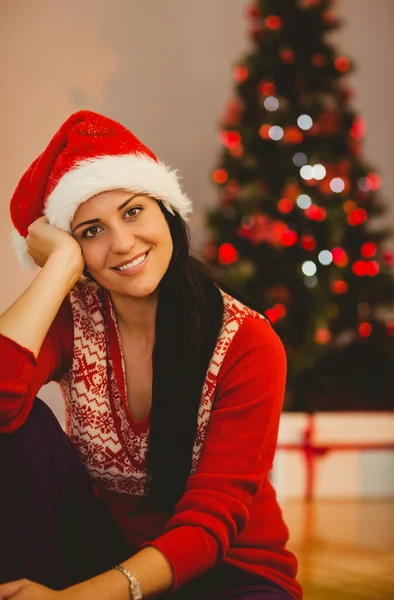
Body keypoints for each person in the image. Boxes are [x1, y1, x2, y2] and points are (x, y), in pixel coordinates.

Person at [0, 110, 302, 600]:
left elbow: (208, 526)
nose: (122, 244)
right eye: (91, 231)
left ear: (167, 212)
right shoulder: (76, 317)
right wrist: (59, 269)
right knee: (18, 425)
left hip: (227, 575)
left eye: (134, 211)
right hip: (103, 554)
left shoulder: (247, 343)